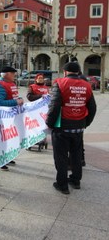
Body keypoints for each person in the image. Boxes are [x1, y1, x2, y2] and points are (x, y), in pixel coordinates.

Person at [46, 62, 96, 194]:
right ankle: (75, 180)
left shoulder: (60, 83)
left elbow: (54, 106)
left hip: (62, 127)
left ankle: (62, 185)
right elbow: (92, 108)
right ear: (79, 72)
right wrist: (85, 123)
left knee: (61, 157)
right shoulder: (87, 85)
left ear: (65, 72)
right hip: (78, 127)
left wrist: (49, 124)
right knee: (76, 155)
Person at [0, 66, 24, 170]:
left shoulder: (12, 84)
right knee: (3, 140)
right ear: (6, 74)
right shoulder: (0, 85)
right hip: (4, 118)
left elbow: (14, 97)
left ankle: (7, 157)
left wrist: (19, 99)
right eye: (13, 73)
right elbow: (0, 102)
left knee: (10, 138)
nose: (14, 75)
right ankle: (1, 161)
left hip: (12, 117)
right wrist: (16, 102)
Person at [27, 73, 49, 150]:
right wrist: (40, 96)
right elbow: (29, 97)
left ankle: (42, 139)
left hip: (44, 110)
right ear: (36, 79)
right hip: (34, 110)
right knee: (34, 125)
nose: (40, 79)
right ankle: (33, 139)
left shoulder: (46, 88)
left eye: (42, 78)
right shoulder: (32, 87)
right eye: (39, 78)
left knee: (43, 125)